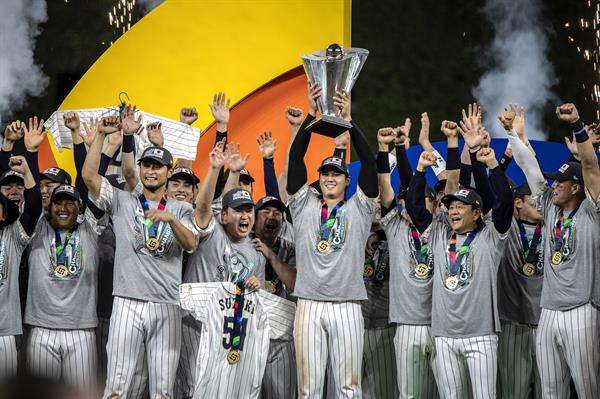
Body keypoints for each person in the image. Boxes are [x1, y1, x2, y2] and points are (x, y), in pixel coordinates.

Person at [82, 112, 198, 398]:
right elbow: (88, 176)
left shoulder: (181, 209)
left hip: (166, 304)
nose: (151, 171)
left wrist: (171, 220)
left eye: (158, 167)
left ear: (168, 172)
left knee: (162, 390)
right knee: (117, 385)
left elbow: (192, 244)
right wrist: (99, 136)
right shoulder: (122, 200)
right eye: (147, 165)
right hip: (126, 302)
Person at [405, 105, 514, 399]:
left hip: (481, 337)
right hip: (443, 335)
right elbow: (415, 207)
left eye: (459, 206)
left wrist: (492, 164)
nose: (452, 209)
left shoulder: (491, 236)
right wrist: (419, 171)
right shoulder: (441, 233)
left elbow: (504, 202)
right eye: (450, 205)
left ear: (477, 213)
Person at [286, 83, 378, 398]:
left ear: (346, 180)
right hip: (309, 303)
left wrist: (349, 122)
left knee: (348, 388)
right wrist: (312, 119)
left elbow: (369, 162)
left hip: (348, 305)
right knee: (308, 389)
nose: (329, 177)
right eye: (325, 173)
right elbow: (296, 159)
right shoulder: (303, 205)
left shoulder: (360, 208)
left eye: (336, 174)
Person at [176, 139, 264, 399]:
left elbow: (254, 300)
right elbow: (203, 208)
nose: (245, 216)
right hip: (194, 326)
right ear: (224, 215)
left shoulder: (255, 253)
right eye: (238, 211)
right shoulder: (212, 231)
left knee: (224, 391)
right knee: (193, 388)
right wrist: (218, 169)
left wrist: (255, 287)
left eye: (249, 210)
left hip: (228, 332)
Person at [533, 103, 600, 399]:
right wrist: (513, 134)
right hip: (547, 311)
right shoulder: (550, 209)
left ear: (576, 188)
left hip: (581, 310)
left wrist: (577, 125)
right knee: (550, 390)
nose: (554, 185)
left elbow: (590, 167)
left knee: (587, 389)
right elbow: (528, 168)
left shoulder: (591, 209)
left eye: (560, 182)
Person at [25, 185, 105, 390]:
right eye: (58, 202)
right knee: (39, 394)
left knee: (81, 394)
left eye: (70, 203)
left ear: (80, 208)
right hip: (42, 328)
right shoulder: (38, 228)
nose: (64, 208)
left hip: (81, 330)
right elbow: (33, 203)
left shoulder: (90, 230)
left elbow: (88, 181)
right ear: (49, 207)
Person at [496, 104, 545, 399]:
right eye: (532, 200)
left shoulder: (555, 226)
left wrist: (520, 137)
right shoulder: (507, 230)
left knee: (551, 391)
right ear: (518, 203)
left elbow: (534, 172)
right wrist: (507, 143)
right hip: (513, 322)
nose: (540, 205)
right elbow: (494, 188)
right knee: (514, 392)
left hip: (548, 321)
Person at [251, 195, 297, 399]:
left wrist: (270, 255)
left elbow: (293, 283)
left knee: (282, 394)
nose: (272, 217)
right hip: (249, 333)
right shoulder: (243, 242)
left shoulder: (289, 248)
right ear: (254, 217)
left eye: (277, 214)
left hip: (280, 336)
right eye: (266, 212)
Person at [0, 156, 42, 379]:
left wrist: (27, 170)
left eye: (19, 186)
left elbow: (34, 207)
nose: (14, 190)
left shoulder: (14, 233)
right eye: (8, 187)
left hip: (6, 329)